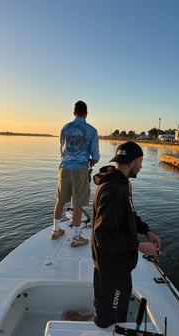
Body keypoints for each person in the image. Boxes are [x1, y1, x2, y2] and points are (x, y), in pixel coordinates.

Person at [91, 141, 161, 328]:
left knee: (116, 315)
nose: (141, 166)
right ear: (131, 163)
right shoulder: (113, 189)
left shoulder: (121, 184)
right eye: (140, 161)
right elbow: (103, 235)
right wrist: (138, 246)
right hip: (111, 270)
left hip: (118, 266)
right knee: (110, 322)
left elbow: (129, 214)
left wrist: (146, 231)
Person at [52, 100, 100, 247]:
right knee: (77, 202)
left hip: (64, 168)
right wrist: (92, 161)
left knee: (60, 200)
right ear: (86, 113)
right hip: (80, 169)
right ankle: (76, 237)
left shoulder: (64, 128)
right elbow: (95, 155)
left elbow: (62, 149)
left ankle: (56, 230)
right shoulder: (91, 130)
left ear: (74, 113)